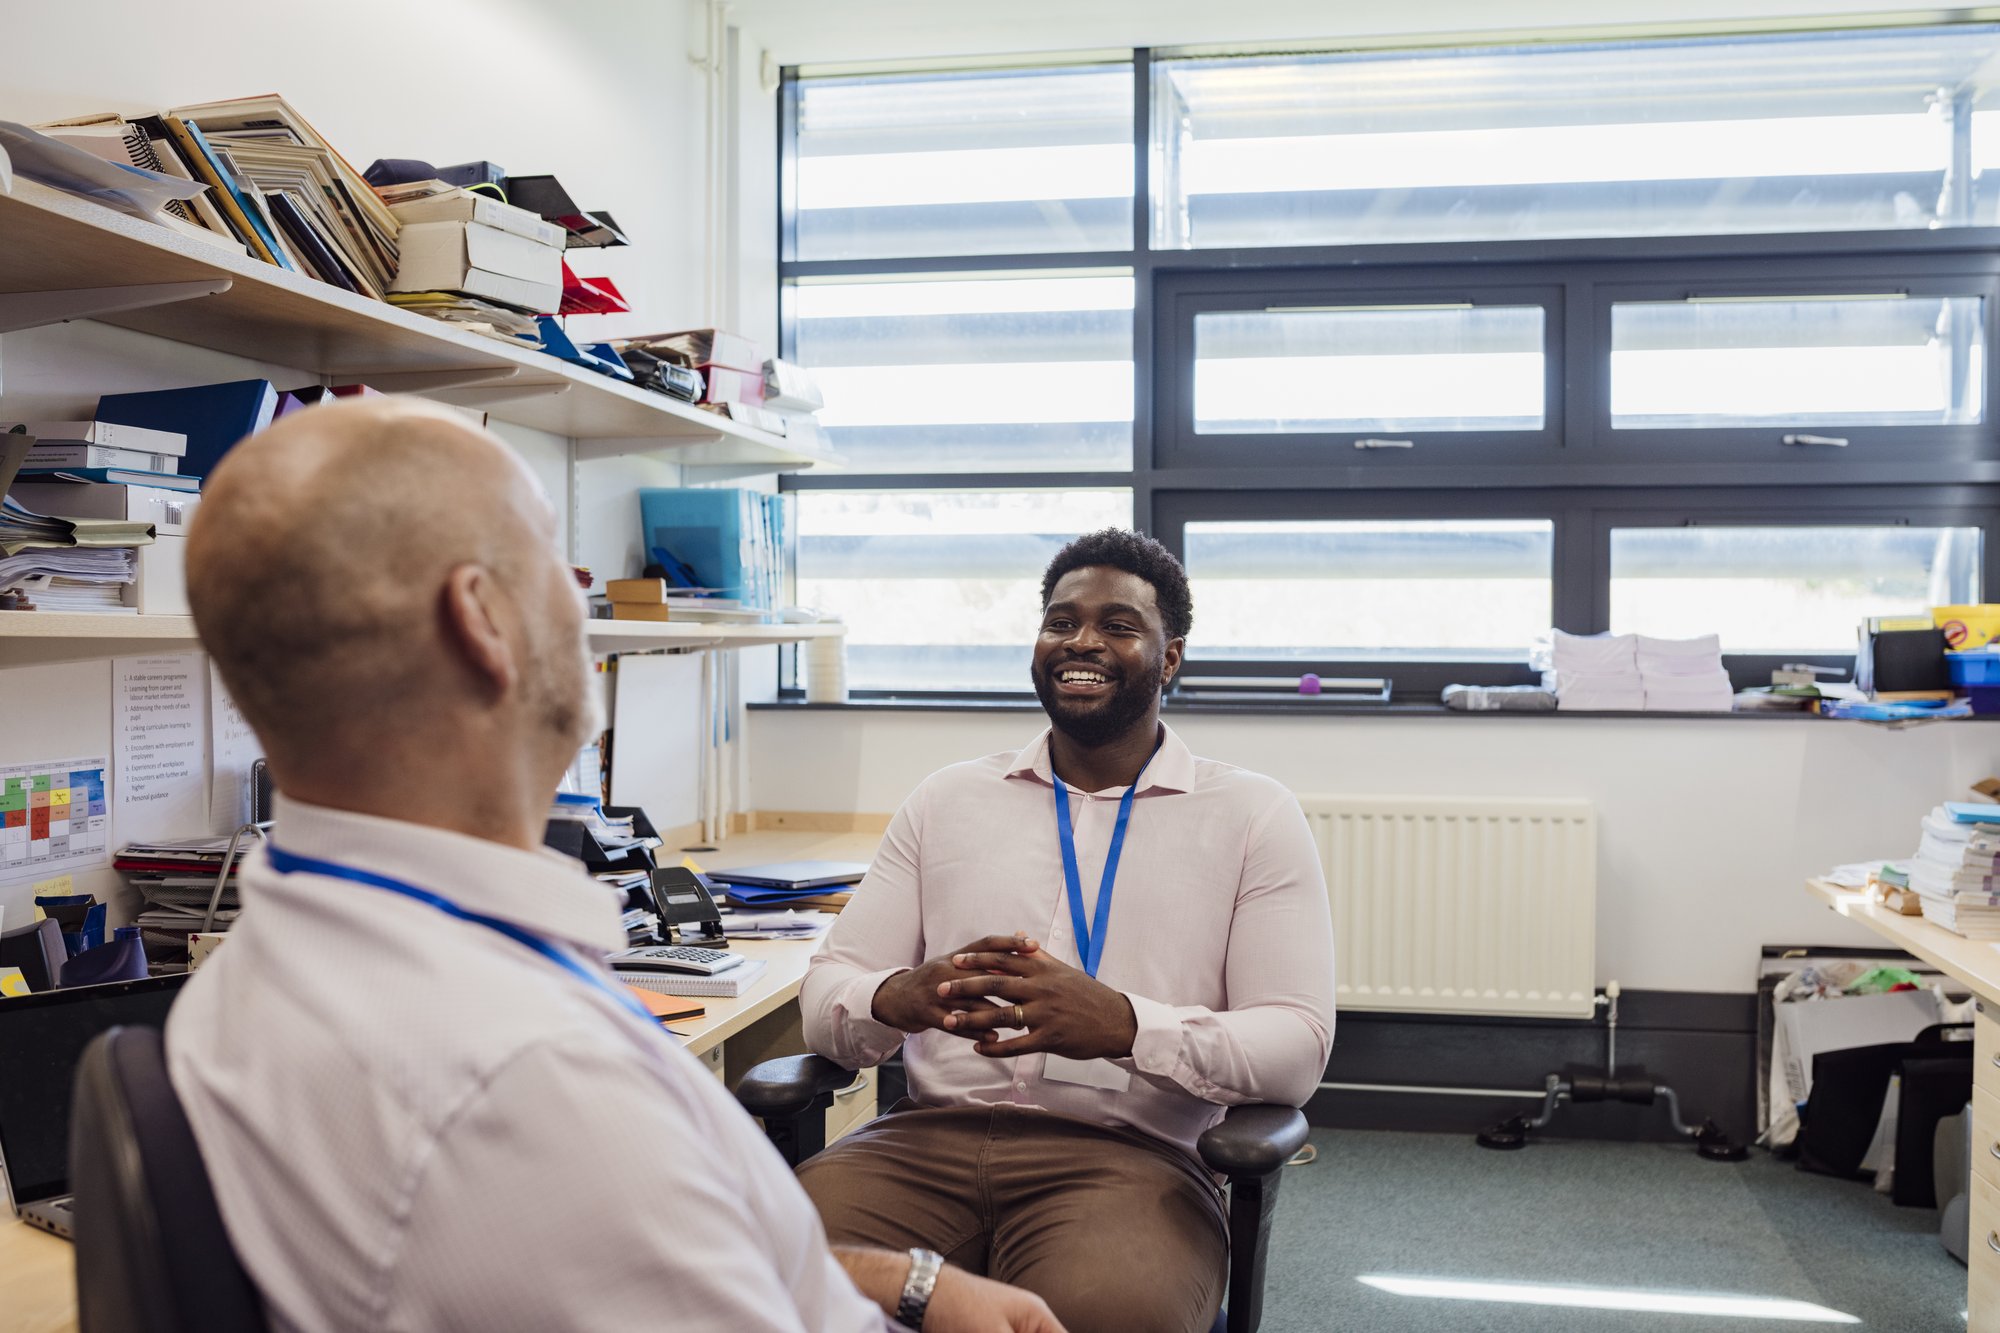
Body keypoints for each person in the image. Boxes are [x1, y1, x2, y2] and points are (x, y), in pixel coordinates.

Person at [169, 398, 1063, 1333]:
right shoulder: (525, 1076)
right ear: (483, 620)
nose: (585, 598)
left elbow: (617, 1247)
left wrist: (907, 1283)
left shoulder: (275, 968)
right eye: (554, 559)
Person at [797, 529, 1337, 1333]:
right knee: (753, 1278)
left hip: (1128, 1161)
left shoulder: (1251, 815)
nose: (1081, 641)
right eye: (1061, 620)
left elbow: (1296, 1044)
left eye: (1118, 624)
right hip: (922, 1143)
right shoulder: (946, 801)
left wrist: (1126, 1025)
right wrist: (896, 995)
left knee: (1096, 1316)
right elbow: (825, 996)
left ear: (1172, 656)